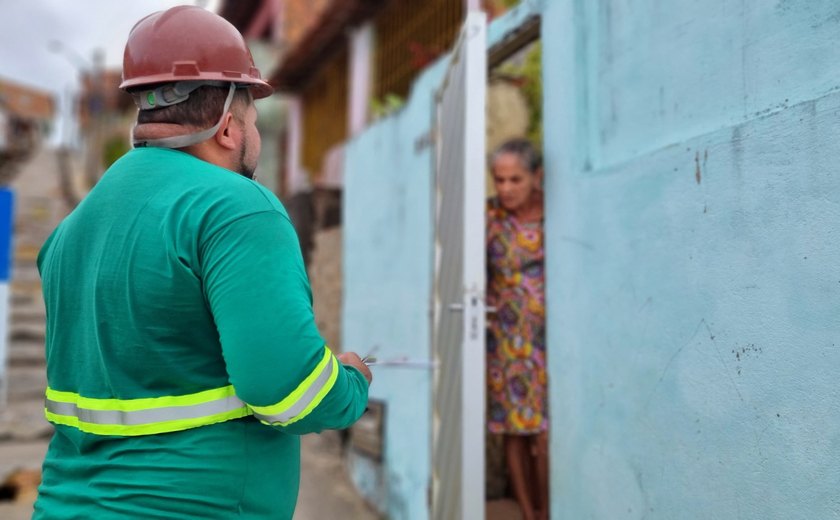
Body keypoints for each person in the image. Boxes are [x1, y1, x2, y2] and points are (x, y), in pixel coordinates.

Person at [32, 7, 371, 519]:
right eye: (254, 120)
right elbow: (289, 393)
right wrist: (351, 382)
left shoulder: (71, 230)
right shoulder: (236, 207)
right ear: (229, 127)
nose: (253, 133)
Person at [486, 138, 548, 520]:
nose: (506, 188)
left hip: (552, 340)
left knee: (544, 433)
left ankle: (550, 508)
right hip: (508, 342)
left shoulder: (556, 213)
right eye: (500, 180)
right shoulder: (490, 218)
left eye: (516, 180)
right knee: (514, 429)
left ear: (536, 177)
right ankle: (528, 513)